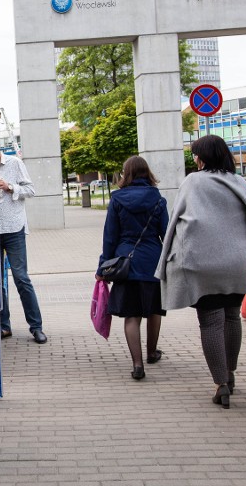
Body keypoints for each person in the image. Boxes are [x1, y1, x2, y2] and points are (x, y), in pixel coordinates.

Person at [155, 135, 246, 409]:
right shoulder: (242, 183)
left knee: (211, 322)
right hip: (238, 262)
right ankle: (230, 373)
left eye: (195, 155)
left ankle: (221, 384)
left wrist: (165, 259)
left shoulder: (194, 181)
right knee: (231, 317)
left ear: (202, 157)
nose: (194, 159)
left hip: (203, 262)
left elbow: (176, 220)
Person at [95, 156, 168, 380]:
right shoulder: (158, 199)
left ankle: (137, 365)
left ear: (126, 173)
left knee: (132, 315)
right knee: (155, 309)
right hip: (152, 261)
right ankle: (152, 352)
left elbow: (110, 236)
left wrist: (103, 266)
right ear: (147, 173)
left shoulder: (117, 199)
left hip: (126, 261)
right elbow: (166, 233)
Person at [0, 133, 47, 344]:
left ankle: (36, 327)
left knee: (21, 278)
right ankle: (4, 326)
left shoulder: (14, 163)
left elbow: (31, 190)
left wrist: (10, 187)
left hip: (13, 227)